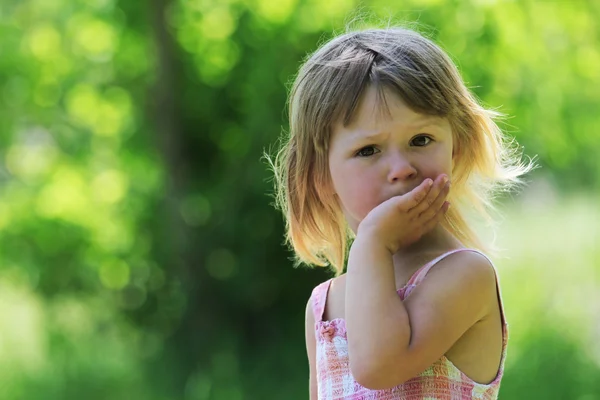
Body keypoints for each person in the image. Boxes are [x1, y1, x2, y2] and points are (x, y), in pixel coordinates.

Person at [266, 26, 535, 399]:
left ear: (455, 150)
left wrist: (374, 243)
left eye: (420, 140)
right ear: (320, 175)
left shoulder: (463, 274)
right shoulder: (323, 305)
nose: (401, 168)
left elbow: (378, 367)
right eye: (369, 150)